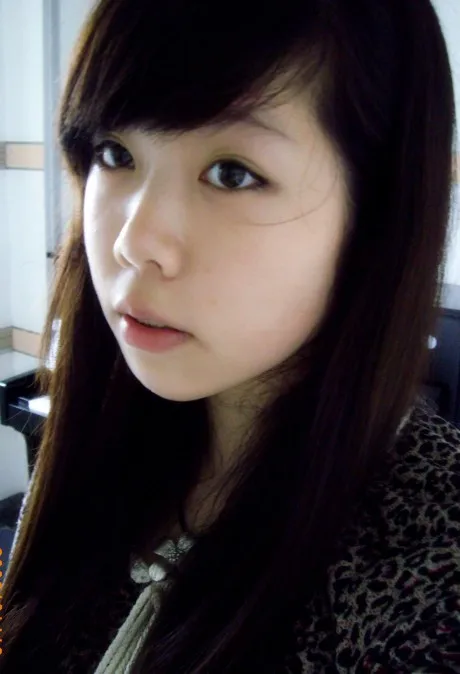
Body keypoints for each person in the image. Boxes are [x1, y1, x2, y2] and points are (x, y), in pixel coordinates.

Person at [1, 0, 459, 671]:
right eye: (115, 152)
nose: (134, 242)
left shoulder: (428, 571)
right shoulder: (106, 441)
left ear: (375, 216)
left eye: (232, 173)